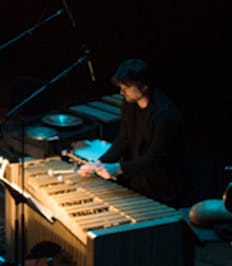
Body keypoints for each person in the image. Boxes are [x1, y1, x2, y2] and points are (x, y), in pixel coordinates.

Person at [76, 59, 186, 205]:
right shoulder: (129, 104)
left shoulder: (165, 115)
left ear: (144, 86)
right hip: (136, 181)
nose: (121, 91)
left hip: (161, 187)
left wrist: (119, 168)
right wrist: (99, 163)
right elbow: (123, 139)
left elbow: (155, 157)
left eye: (126, 86)